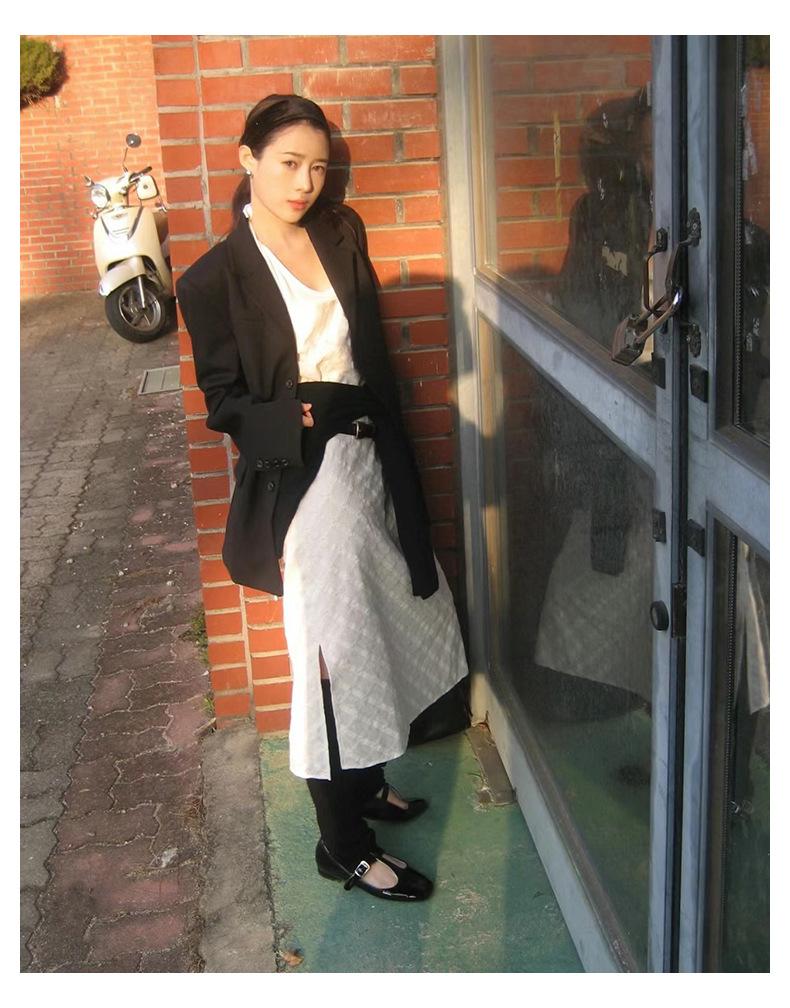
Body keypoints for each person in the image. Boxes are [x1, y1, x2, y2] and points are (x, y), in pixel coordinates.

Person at [176, 94, 469, 903]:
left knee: (386, 617)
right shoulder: (211, 279)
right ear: (247, 159)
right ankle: (342, 847)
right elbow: (222, 401)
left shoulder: (340, 233)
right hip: (309, 478)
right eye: (287, 163)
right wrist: (291, 416)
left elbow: (367, 351)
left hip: (373, 458)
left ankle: (365, 786)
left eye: (317, 167)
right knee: (332, 654)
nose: (304, 182)